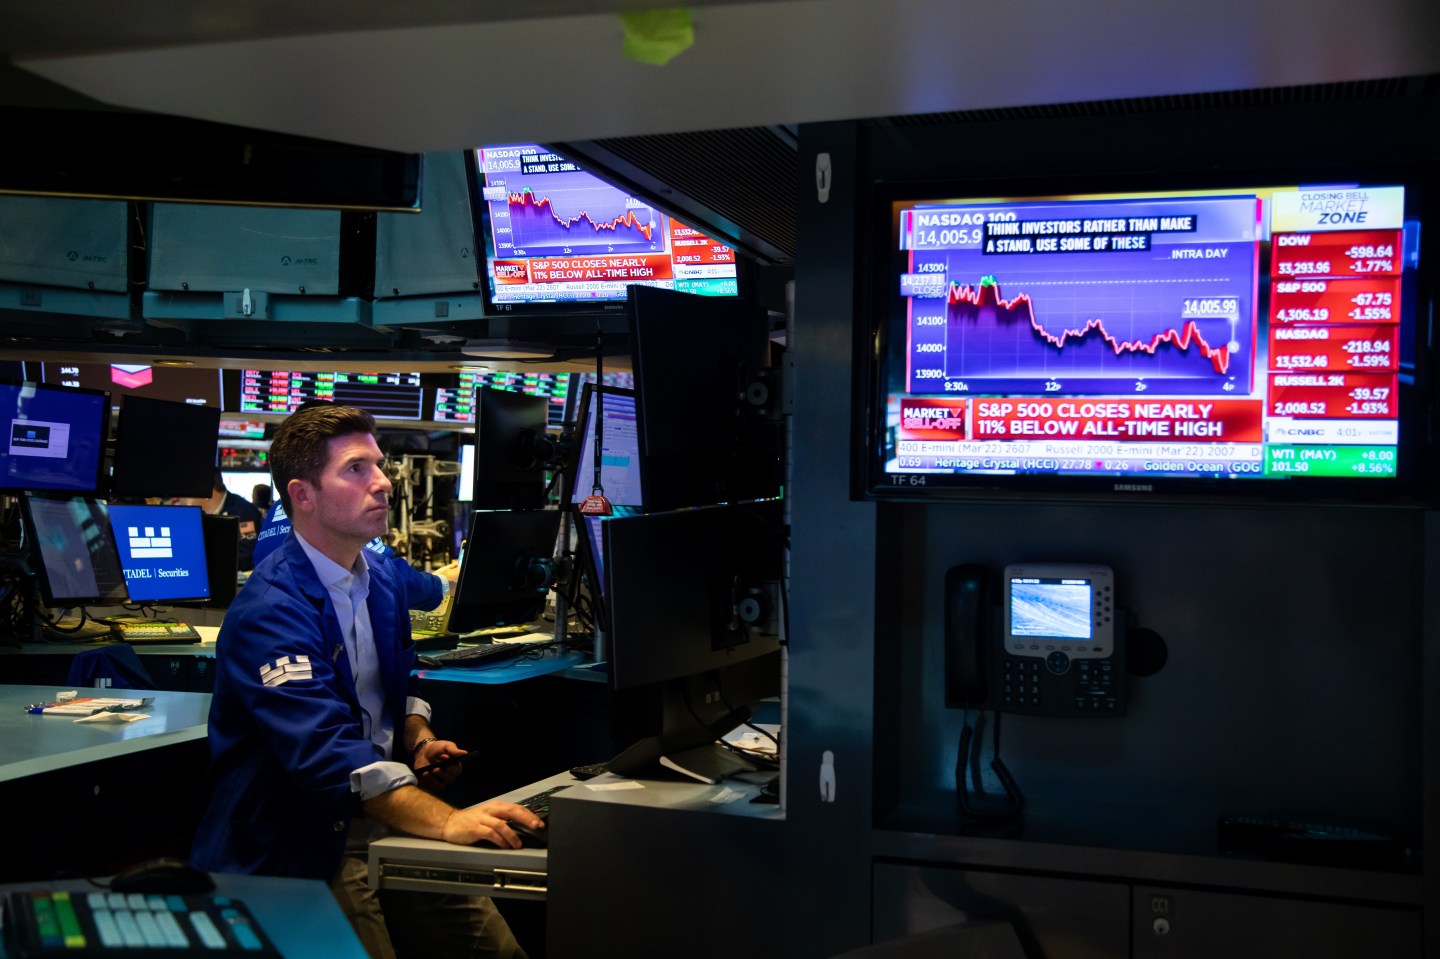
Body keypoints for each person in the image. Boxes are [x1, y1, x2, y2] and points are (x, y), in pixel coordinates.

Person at [190, 404, 539, 959]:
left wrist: (417, 736)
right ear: (302, 495)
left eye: (379, 465)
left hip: (381, 809)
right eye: (356, 469)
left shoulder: (379, 579)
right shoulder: (270, 611)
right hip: (297, 838)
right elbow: (329, 757)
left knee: (497, 951)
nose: (383, 483)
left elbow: (394, 685)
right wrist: (448, 823)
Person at [253, 496, 458, 612]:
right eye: (356, 467)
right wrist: (442, 583)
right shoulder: (341, 505)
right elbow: (387, 578)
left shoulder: (280, 508)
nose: (382, 481)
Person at [177, 470, 263, 571]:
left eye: (185, 492)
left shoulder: (244, 512)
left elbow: (245, 558)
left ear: (204, 489)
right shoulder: (200, 515)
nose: (180, 499)